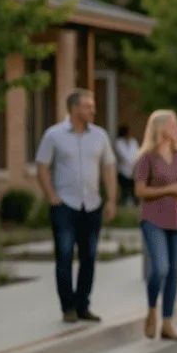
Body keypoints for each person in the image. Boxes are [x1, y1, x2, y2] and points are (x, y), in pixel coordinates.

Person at [35, 89, 117, 323]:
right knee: (64, 255)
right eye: (88, 106)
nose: (93, 109)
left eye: (92, 105)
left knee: (89, 257)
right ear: (74, 108)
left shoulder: (100, 136)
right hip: (65, 206)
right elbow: (42, 166)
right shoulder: (54, 135)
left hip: (92, 205)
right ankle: (67, 307)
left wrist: (111, 199)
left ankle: (83, 305)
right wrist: (51, 195)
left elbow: (109, 168)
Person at [133, 110, 177, 341]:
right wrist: (170, 189)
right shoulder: (146, 157)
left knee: (174, 272)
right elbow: (139, 191)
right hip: (154, 220)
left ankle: (167, 323)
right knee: (160, 268)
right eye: (173, 124)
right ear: (159, 128)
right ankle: (151, 311)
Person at [114, 125, 140, 207]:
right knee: (125, 189)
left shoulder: (134, 141)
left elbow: (137, 154)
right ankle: (123, 203)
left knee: (134, 190)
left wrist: (135, 166)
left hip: (134, 171)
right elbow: (124, 157)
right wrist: (132, 162)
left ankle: (135, 204)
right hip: (123, 172)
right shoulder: (118, 142)